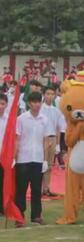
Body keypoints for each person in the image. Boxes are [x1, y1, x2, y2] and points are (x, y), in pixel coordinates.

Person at [15, 91, 49, 226]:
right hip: (23, 159)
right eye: (34, 102)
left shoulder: (44, 119)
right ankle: (19, 216)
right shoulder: (21, 119)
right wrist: (14, 157)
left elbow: (46, 140)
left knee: (36, 189)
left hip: (38, 158)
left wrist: (46, 160)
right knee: (21, 189)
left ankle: (36, 215)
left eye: (39, 102)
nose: (37, 105)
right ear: (29, 103)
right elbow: (17, 139)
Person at [40, 85, 66, 197]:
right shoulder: (40, 109)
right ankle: (39, 189)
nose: (50, 96)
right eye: (48, 94)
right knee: (41, 164)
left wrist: (58, 145)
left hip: (53, 138)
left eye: (52, 94)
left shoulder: (56, 111)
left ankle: (46, 188)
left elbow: (59, 128)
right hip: (41, 139)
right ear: (44, 95)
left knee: (50, 166)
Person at [0, 93, 9, 215]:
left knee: (2, 182)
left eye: (2, 104)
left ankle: (2, 208)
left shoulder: (10, 119)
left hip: (4, 155)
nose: (0, 106)